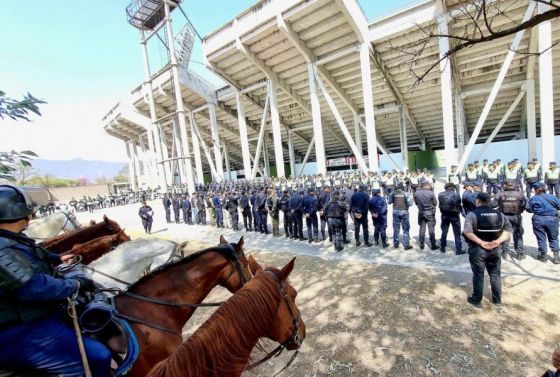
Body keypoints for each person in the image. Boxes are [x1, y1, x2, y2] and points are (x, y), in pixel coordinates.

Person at [0, 185, 111, 376]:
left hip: (33, 317)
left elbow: (31, 255)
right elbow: (33, 287)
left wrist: (56, 259)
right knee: (98, 355)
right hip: (17, 329)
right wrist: (74, 284)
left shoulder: (12, 238)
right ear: (18, 214)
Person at [463, 192, 512, 308]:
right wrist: (498, 241)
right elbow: (508, 230)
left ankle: (476, 300)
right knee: (495, 275)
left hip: (477, 249)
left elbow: (467, 232)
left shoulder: (472, 215)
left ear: (477, 201)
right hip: (495, 249)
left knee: (478, 274)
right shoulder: (500, 214)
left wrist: (481, 242)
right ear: (490, 201)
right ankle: (497, 300)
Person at [526, 182, 560, 263]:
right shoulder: (553, 197)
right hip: (552, 219)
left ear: (536, 190)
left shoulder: (534, 198)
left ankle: (543, 256)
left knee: (541, 238)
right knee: (554, 238)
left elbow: (529, 209)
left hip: (538, 220)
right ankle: (556, 258)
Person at [494, 183, 526, 260]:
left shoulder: (500, 194)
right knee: (518, 234)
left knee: (505, 233)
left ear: (504, 186)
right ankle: (519, 253)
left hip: (504, 217)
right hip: (516, 217)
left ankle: (504, 252)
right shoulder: (519, 194)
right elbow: (526, 205)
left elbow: (493, 205)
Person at [438, 183, 464, 254]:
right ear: (453, 188)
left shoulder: (440, 194)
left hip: (444, 215)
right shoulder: (456, 195)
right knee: (457, 233)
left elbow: (440, 204)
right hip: (454, 216)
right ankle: (458, 250)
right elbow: (459, 204)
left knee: (444, 232)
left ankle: (442, 248)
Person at [388, 182, 413, 250]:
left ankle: (396, 244)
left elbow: (389, 202)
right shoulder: (406, 193)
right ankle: (406, 245)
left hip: (395, 211)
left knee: (396, 228)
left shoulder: (393, 193)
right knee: (405, 229)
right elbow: (410, 203)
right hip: (404, 212)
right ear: (403, 187)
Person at [414, 181, 438, 251]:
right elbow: (435, 203)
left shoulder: (416, 193)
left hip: (421, 212)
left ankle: (421, 244)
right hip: (430, 212)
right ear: (426, 186)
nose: (430, 187)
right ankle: (433, 245)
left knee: (422, 228)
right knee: (431, 229)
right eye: (429, 186)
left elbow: (416, 203)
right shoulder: (431, 192)